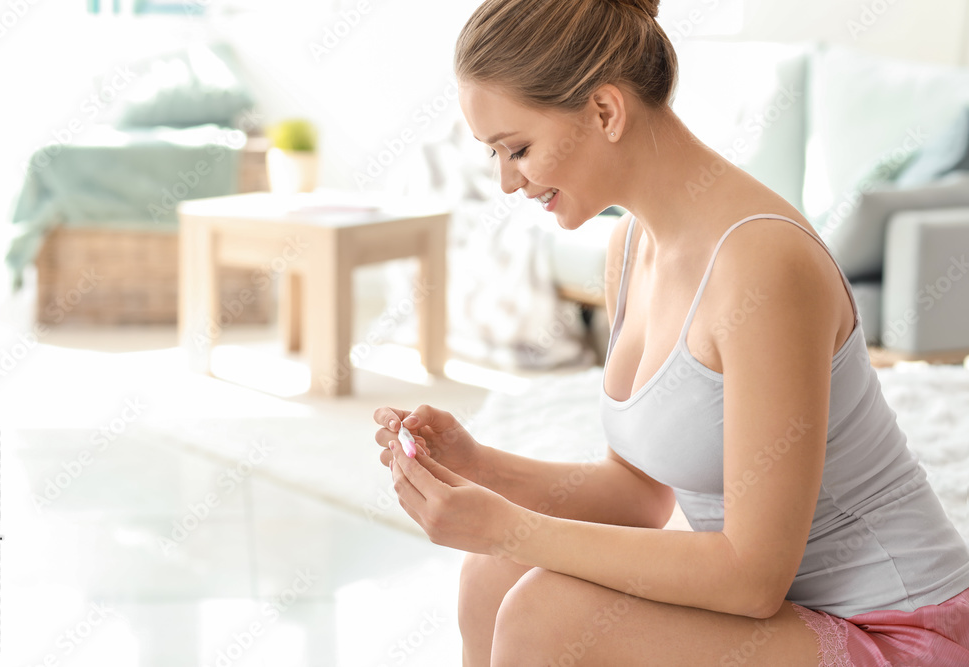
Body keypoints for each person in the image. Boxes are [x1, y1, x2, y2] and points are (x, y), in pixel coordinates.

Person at [372, 0, 969, 664]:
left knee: (546, 613)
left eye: (518, 149)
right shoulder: (630, 248)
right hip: (790, 616)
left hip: (896, 629)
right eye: (494, 154)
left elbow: (752, 578)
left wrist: (511, 527)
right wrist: (480, 465)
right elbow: (636, 494)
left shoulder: (762, 266)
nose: (508, 181)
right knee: (493, 574)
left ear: (606, 111)